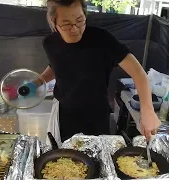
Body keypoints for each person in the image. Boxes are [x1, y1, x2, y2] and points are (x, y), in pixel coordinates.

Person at [25, 0, 161, 141]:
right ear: (54, 23)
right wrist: (37, 82)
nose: (75, 29)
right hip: (64, 114)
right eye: (66, 24)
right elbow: (57, 65)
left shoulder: (102, 40)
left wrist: (148, 111)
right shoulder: (50, 43)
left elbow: (138, 73)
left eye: (80, 21)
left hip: (96, 116)